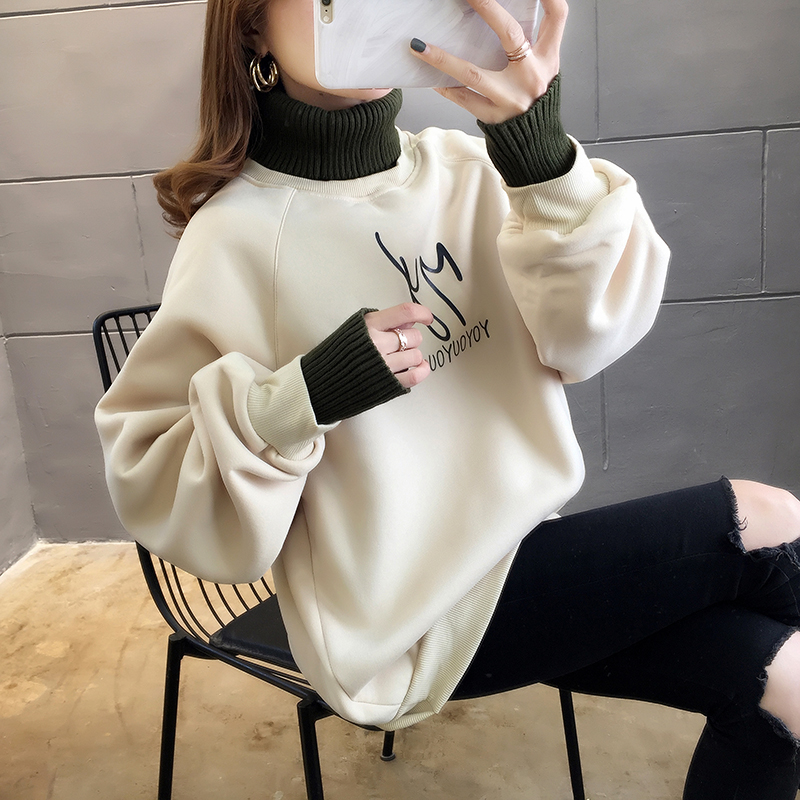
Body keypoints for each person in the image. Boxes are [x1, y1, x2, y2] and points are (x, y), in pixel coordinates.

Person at [95, 0, 800, 795]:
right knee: (770, 516)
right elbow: (155, 472)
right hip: (407, 616)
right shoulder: (236, 233)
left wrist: (541, 160)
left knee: (787, 688)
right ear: (252, 26)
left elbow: (584, 340)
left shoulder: (469, 170)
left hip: (528, 547)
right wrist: (305, 395)